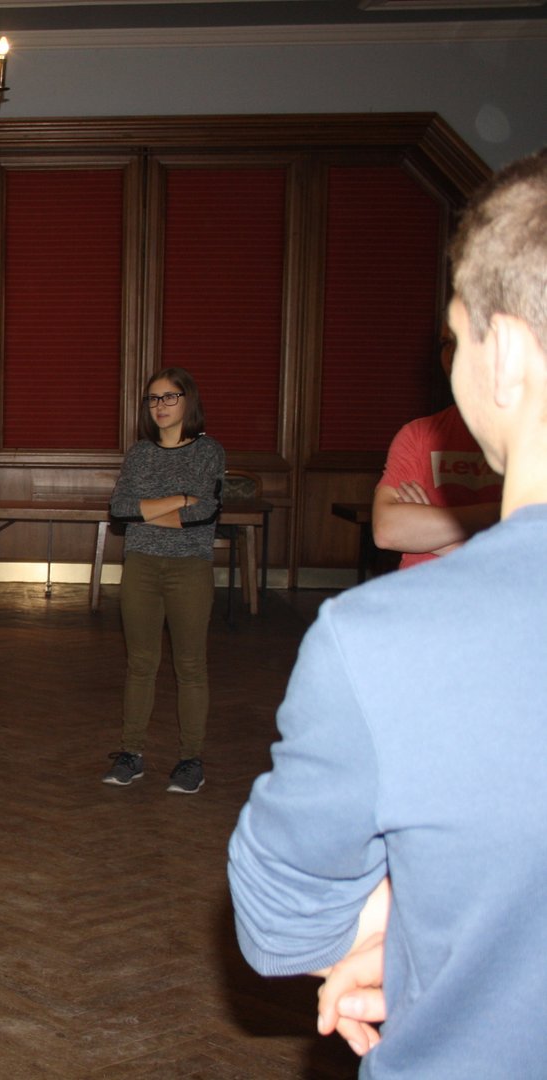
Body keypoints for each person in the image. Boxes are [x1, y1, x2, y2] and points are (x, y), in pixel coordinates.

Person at [227, 149, 547, 1077]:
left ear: (506, 354)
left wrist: (406, 918)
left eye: (456, 334)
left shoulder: (383, 645)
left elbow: (282, 924)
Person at [102, 368, 224, 794]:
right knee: (140, 663)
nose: (161, 406)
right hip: (141, 565)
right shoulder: (139, 453)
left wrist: (148, 510)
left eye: (170, 397)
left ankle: (191, 759)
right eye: (154, 398)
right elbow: (119, 509)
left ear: (188, 401)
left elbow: (204, 513)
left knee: (190, 665)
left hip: (189, 566)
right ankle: (131, 753)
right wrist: (180, 500)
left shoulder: (208, 452)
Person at [371, 331, 501, 568]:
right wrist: (502, 514)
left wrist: (429, 524)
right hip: (419, 589)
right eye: (447, 343)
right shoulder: (418, 434)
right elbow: (387, 530)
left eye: (467, 339)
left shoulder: (536, 438)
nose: (452, 354)